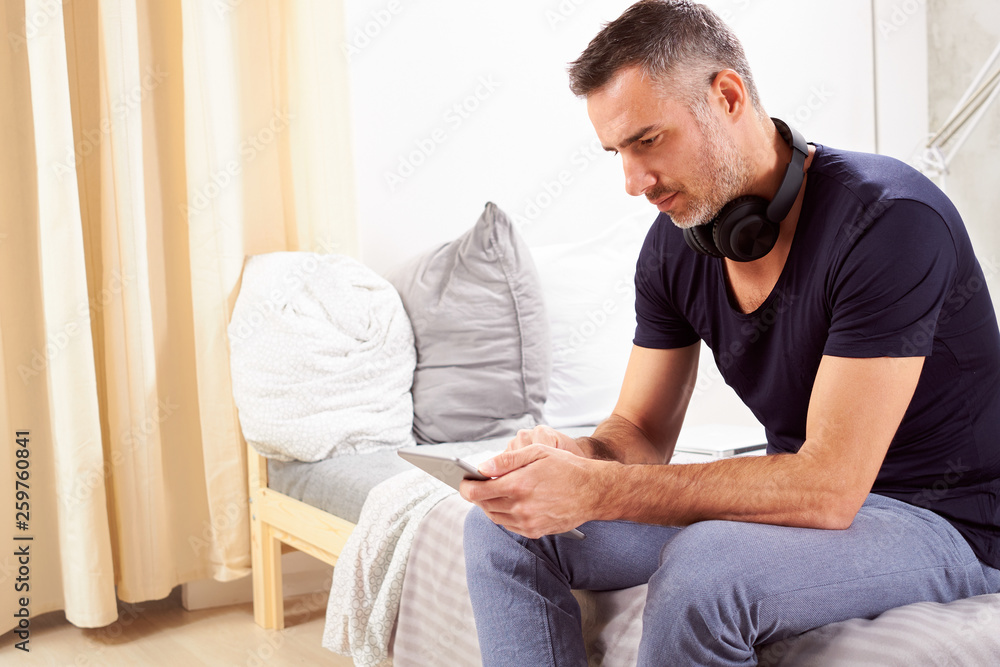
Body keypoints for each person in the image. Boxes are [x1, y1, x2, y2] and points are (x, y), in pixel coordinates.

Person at [458, 1, 1000, 665]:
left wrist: (597, 490)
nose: (632, 182)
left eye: (647, 140)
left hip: (943, 521)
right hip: (803, 494)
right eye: (617, 152)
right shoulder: (675, 246)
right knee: (505, 526)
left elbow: (829, 488)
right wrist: (566, 459)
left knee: (706, 569)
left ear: (728, 95)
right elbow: (636, 435)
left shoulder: (891, 221)